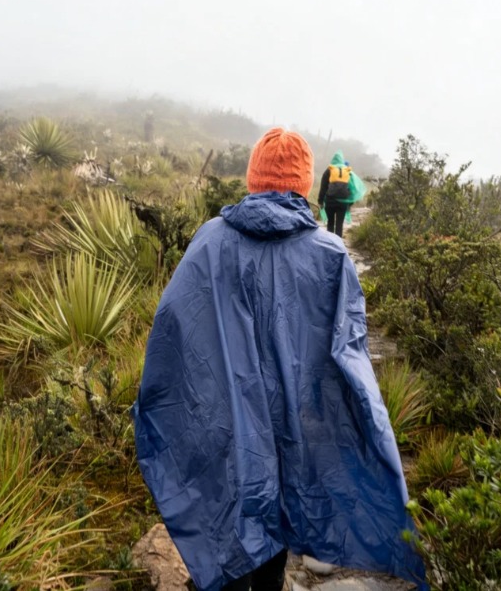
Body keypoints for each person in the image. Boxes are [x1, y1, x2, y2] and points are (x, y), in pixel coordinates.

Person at [133, 128, 426, 591]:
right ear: (304, 184)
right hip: (296, 425)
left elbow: (173, 336)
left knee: (231, 517)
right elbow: (349, 357)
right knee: (278, 523)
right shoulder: (330, 255)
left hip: (225, 422)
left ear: (253, 181)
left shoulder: (210, 243)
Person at [317, 151, 355, 237]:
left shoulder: (329, 170)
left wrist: (320, 201)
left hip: (330, 201)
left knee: (330, 223)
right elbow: (353, 188)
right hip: (343, 203)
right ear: (342, 160)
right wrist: (349, 203)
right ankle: (339, 246)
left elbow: (323, 187)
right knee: (339, 225)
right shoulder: (347, 170)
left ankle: (331, 245)